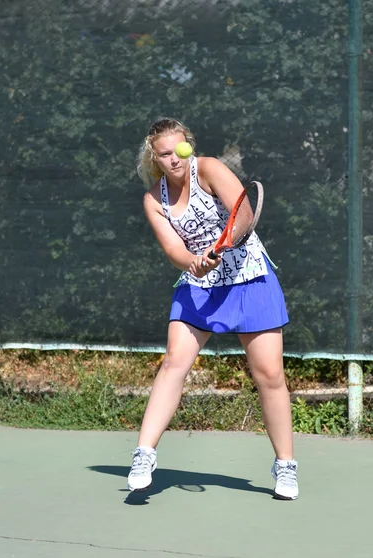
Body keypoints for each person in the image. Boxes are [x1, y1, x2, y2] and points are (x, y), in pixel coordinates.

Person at [127, 117, 299, 500]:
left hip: (249, 275)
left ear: (188, 145)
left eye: (179, 150)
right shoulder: (154, 199)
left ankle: (285, 465)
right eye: (164, 154)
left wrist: (224, 243)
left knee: (269, 373)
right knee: (174, 362)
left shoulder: (209, 169)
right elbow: (173, 249)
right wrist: (193, 261)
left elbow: (243, 214)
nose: (174, 160)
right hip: (198, 284)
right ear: (153, 157)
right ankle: (143, 454)